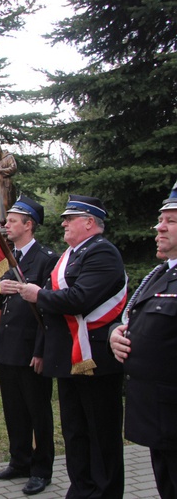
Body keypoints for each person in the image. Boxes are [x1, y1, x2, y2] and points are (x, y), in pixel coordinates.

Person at [15, 195, 127, 498]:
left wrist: (39, 295)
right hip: (68, 358)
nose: (63, 222)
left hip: (95, 359)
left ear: (89, 222)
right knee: (75, 431)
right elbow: (55, 308)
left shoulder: (102, 253)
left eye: (70, 218)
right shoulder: (71, 255)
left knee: (100, 433)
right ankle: (81, 488)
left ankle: (104, 492)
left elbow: (79, 298)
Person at [110, 181, 177, 499]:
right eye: (161, 219)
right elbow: (134, 319)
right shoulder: (162, 274)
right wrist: (116, 334)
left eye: (171, 220)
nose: (159, 227)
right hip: (158, 416)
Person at [0, 195, 57, 495]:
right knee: (14, 411)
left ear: (28, 225)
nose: (7, 225)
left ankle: (41, 469)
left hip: (31, 350)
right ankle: (20, 461)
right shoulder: (9, 258)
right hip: (8, 349)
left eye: (13, 221)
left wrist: (42, 350)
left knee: (37, 412)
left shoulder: (46, 259)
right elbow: (2, 303)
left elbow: (49, 311)